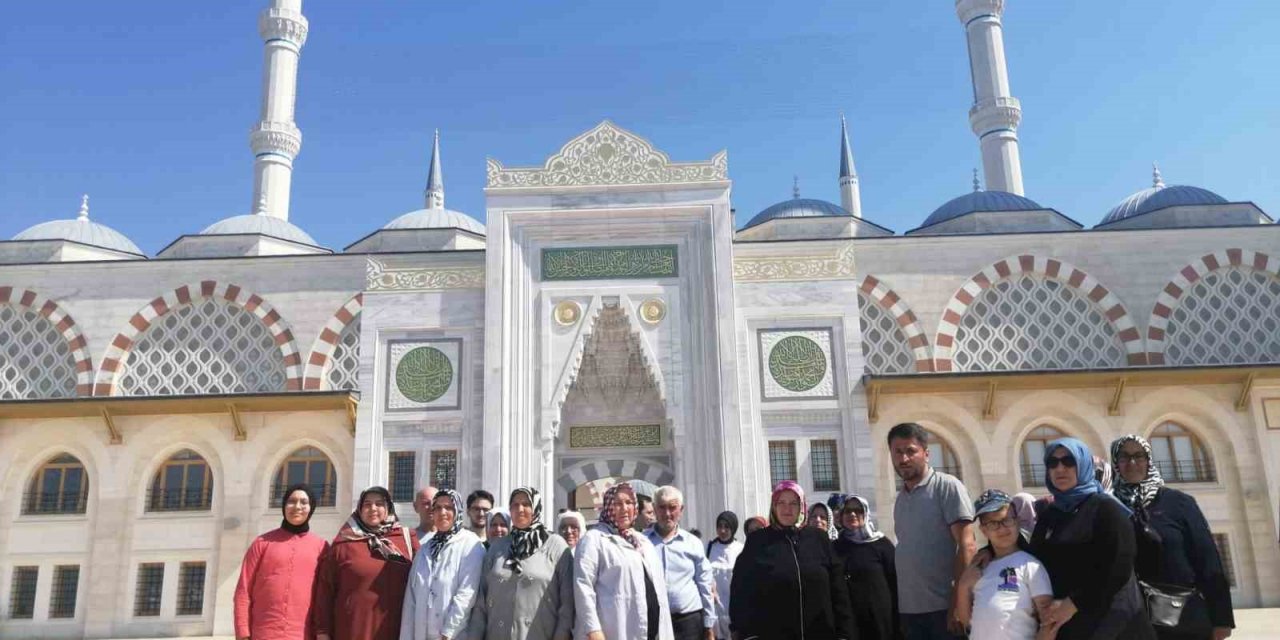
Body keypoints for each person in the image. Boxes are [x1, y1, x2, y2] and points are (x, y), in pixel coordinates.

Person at [1112, 435, 1235, 640]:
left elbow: (1208, 560)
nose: (1132, 463)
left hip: (1180, 620)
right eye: (1124, 457)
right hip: (1129, 623)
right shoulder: (1109, 505)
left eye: (1138, 456)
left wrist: (1222, 619)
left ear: (1148, 460)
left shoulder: (1179, 503)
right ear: (1115, 462)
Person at [1030, 438, 1153, 640]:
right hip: (1068, 625)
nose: (1060, 468)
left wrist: (1074, 603)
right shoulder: (1050, 515)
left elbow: (1118, 566)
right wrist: (989, 551)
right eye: (1053, 463)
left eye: (1069, 461)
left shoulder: (1105, 508)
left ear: (1083, 465)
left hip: (1114, 623)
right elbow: (1033, 560)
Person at [730, 480, 856, 640]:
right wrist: (748, 635)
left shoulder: (819, 538)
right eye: (781, 502)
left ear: (801, 506)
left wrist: (844, 634)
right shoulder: (757, 541)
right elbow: (741, 591)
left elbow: (838, 590)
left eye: (793, 503)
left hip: (820, 632)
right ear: (773, 506)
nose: (787, 508)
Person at [888, 422, 976, 640]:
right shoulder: (901, 499)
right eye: (898, 452)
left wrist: (958, 602)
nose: (904, 458)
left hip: (945, 610)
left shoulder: (947, 486)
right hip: (910, 613)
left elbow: (967, 545)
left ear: (926, 454)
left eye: (911, 451)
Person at [469, 487, 575, 640]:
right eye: (514, 505)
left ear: (536, 507)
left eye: (526, 504)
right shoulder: (498, 547)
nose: (520, 509)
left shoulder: (555, 546)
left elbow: (567, 604)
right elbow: (481, 604)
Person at [574, 482, 674, 640]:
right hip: (614, 631)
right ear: (608, 507)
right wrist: (593, 630)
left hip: (651, 632)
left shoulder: (642, 541)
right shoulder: (594, 540)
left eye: (629, 503)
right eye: (618, 503)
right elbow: (583, 588)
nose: (624, 508)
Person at [315, 486, 418, 640]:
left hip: (398, 629)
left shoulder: (406, 539)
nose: (373, 508)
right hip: (353, 629)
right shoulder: (343, 543)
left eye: (379, 504)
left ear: (388, 508)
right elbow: (325, 591)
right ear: (360, 509)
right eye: (367, 504)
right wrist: (322, 631)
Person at [955, 490, 1054, 640]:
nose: (1002, 528)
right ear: (983, 530)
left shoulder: (1031, 566)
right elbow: (966, 621)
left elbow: (1049, 620)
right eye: (993, 523)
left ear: (1017, 521)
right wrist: (963, 586)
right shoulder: (979, 566)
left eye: (1007, 520)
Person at [234, 484, 329, 640]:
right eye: (291, 501)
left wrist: (323, 632)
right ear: (284, 505)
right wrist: (243, 632)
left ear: (311, 508)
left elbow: (325, 596)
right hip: (264, 633)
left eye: (303, 502)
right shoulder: (262, 543)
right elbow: (243, 590)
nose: (297, 507)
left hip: (303, 634)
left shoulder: (321, 547)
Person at [401, 489, 485, 640]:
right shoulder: (426, 548)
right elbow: (411, 598)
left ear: (458, 511)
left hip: (454, 635)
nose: (442, 512)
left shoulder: (471, 544)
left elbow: (466, 594)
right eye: (437, 507)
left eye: (448, 508)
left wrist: (448, 632)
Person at [645, 486, 716, 640]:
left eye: (672, 508)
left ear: (681, 510)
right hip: (654, 623)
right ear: (655, 510)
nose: (667, 514)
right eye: (662, 508)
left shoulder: (693, 543)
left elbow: (705, 584)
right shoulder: (642, 542)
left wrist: (709, 625)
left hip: (688, 623)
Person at [833, 493, 899, 640]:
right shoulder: (836, 547)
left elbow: (895, 583)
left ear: (866, 513)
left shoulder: (881, 545)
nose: (853, 514)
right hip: (849, 623)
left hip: (880, 621)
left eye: (858, 510)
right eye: (848, 510)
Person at [705, 511, 742, 640]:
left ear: (733, 528)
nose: (722, 530)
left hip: (734, 606)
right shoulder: (709, 547)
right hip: (714, 606)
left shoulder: (740, 549)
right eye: (719, 526)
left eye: (726, 527)